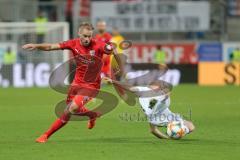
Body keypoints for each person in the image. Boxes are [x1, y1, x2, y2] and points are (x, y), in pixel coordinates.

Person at [22, 22, 122, 143]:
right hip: (76, 83)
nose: (87, 39)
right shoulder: (72, 43)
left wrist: (119, 67)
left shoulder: (99, 45)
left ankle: (45, 135)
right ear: (79, 34)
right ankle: (92, 115)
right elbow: (51, 47)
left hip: (91, 86)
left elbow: (114, 49)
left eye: (89, 36)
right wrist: (36, 45)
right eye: (85, 36)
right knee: (69, 111)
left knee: (72, 108)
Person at [103, 77, 195, 139]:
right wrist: (113, 81)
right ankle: (177, 131)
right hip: (157, 117)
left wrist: (166, 138)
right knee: (189, 127)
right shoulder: (149, 92)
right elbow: (130, 88)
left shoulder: (156, 95)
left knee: (191, 126)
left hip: (159, 113)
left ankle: (177, 131)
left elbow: (153, 131)